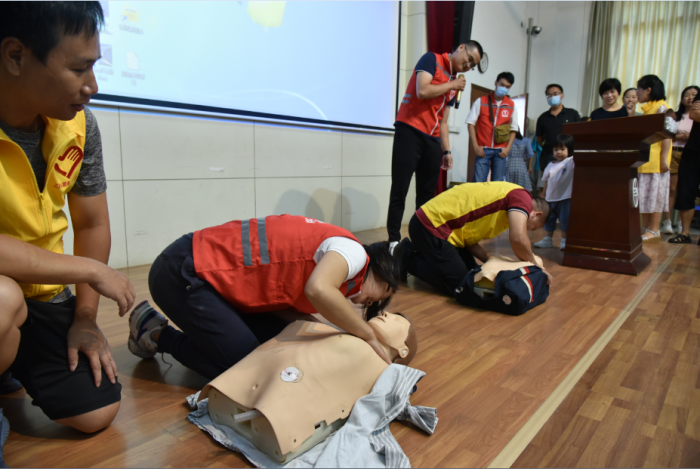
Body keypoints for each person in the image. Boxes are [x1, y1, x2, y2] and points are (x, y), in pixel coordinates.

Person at [0, 1, 136, 452]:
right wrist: (91, 271)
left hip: (44, 292)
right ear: (15, 56)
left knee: (96, 412)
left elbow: (92, 222)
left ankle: (10, 360)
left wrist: (85, 317)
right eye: (79, 69)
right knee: (3, 300)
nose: (92, 86)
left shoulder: (78, 125)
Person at [127, 215, 399, 380]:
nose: (373, 303)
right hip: (184, 271)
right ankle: (156, 333)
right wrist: (367, 335)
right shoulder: (354, 253)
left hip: (210, 280)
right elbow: (318, 290)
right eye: (382, 292)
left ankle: (208, 340)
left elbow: (281, 307)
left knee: (278, 347)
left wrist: (321, 330)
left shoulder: (340, 272)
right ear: (380, 267)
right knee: (247, 370)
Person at [203, 312, 417, 462]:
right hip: (244, 385)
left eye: (396, 319)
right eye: (389, 313)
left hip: (273, 420)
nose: (385, 314)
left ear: (403, 350)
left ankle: (271, 418)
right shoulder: (335, 333)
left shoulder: (382, 369)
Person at [386, 41, 484, 248]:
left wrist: (446, 150)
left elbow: (444, 121)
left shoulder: (454, 82)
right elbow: (422, 90)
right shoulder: (432, 59)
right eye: (469, 59)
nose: (468, 65)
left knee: (427, 196)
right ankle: (393, 241)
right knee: (400, 189)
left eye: (473, 65)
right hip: (410, 130)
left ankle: (421, 243)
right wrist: (452, 85)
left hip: (432, 140)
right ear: (461, 48)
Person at [392, 182, 552, 297]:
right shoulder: (523, 198)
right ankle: (405, 255)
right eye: (533, 228)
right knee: (463, 286)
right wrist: (536, 266)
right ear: (536, 214)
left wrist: (489, 259)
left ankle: (421, 252)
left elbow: (468, 238)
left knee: (475, 276)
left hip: (443, 230)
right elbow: (518, 238)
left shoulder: (506, 207)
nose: (528, 230)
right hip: (430, 226)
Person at [636, 75, 673, 242]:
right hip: (644, 160)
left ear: (649, 90)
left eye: (639, 89)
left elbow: (667, 135)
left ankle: (654, 228)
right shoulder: (647, 109)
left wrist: (664, 159)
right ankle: (645, 227)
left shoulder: (663, 108)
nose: (637, 93)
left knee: (656, 196)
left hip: (656, 162)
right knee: (644, 196)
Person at [466, 71, 519, 183]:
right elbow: (470, 123)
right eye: (502, 85)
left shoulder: (511, 105)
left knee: (497, 184)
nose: (504, 88)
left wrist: (507, 149)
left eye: (508, 87)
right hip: (483, 149)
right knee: (478, 183)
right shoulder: (481, 101)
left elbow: (514, 129)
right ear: (496, 83)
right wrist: (475, 146)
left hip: (500, 151)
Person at [662, 85, 699, 235]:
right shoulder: (675, 116)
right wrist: (681, 136)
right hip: (675, 153)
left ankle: (680, 223)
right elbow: (666, 135)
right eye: (687, 95)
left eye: (694, 95)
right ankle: (667, 221)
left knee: (686, 190)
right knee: (673, 189)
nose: (690, 98)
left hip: (691, 152)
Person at [533, 135, 575, 250]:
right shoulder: (550, 165)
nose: (559, 152)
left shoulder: (570, 162)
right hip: (550, 198)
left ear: (569, 150)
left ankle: (564, 240)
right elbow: (547, 181)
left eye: (562, 149)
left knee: (564, 219)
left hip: (565, 197)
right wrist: (543, 194)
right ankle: (547, 239)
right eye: (556, 149)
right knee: (549, 218)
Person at [535, 84, 581, 183]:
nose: (552, 97)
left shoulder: (572, 114)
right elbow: (539, 138)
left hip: (569, 156)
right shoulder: (543, 118)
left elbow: (579, 133)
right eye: (549, 95)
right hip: (549, 155)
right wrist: (552, 148)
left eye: (555, 94)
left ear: (562, 95)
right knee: (547, 184)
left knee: (568, 184)